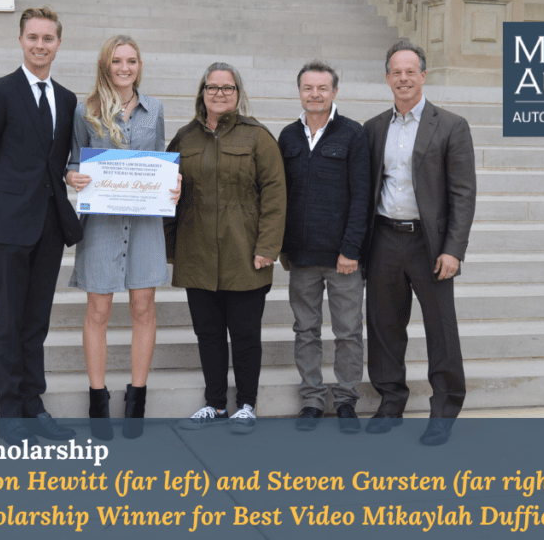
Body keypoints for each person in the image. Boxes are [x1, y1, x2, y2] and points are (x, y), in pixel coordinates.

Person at [0, 6, 82, 445]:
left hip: (49, 225)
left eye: (48, 38)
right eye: (32, 37)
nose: (40, 45)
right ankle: (9, 411)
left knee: (37, 321)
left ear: (57, 43)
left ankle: (34, 404)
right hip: (10, 225)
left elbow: (58, 163)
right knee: (10, 320)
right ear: (21, 40)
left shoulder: (67, 99)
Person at [362, 41, 477, 445]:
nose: (404, 78)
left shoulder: (450, 126)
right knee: (383, 327)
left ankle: (444, 411)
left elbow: (463, 194)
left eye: (411, 71)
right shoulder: (375, 128)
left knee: (441, 330)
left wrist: (453, 249)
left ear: (423, 76)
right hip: (383, 240)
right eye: (397, 71)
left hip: (429, 245)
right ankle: (390, 402)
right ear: (388, 77)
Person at [64, 35, 176, 440]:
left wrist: (172, 184)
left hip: (145, 224)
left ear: (140, 65)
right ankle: (97, 398)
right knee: (98, 311)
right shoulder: (85, 110)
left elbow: (160, 159)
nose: (124, 68)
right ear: (105, 65)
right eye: (117, 61)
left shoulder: (156, 109)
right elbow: (74, 160)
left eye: (131, 61)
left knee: (144, 308)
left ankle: (137, 397)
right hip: (103, 226)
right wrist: (72, 177)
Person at [165, 62, 286, 434]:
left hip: (245, 255)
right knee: (209, 334)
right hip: (198, 254)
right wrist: (172, 249)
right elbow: (164, 193)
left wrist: (267, 247)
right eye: (212, 87)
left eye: (227, 88)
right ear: (202, 92)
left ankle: (246, 404)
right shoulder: (185, 139)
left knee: (246, 336)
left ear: (238, 94)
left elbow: (275, 195)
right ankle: (215, 403)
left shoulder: (257, 138)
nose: (219, 93)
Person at [277, 61, 370, 434]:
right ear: (299, 91)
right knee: (306, 330)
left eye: (322, 88)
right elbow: (280, 195)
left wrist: (351, 249)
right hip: (301, 257)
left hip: (342, 257)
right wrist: (283, 246)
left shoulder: (353, 134)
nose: (315, 94)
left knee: (348, 331)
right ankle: (312, 400)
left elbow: (362, 196)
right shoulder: (288, 136)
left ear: (334, 92)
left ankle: (346, 399)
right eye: (308, 88)